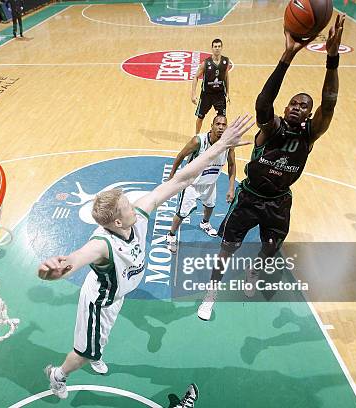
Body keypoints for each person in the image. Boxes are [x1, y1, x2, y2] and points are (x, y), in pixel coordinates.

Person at [38, 115, 254, 399]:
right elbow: (73, 261)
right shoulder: (101, 244)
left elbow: (183, 177)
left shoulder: (137, 214)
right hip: (99, 301)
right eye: (127, 205)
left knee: (100, 339)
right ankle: (58, 375)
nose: (135, 204)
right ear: (116, 222)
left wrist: (221, 146)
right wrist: (50, 271)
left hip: (118, 294)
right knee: (82, 351)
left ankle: (95, 351)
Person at [197, 15, 345, 321]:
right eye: (294, 103)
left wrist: (332, 59)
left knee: (269, 250)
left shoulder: (310, 134)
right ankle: (211, 292)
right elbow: (263, 102)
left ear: (308, 115)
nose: (299, 107)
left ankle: (253, 272)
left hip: (278, 203)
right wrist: (286, 56)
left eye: (305, 106)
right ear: (286, 108)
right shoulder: (271, 127)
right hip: (249, 197)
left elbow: (328, 104)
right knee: (227, 248)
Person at [166, 114, 236, 253]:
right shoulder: (199, 141)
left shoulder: (229, 144)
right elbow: (180, 156)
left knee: (210, 206)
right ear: (211, 126)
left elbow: (232, 165)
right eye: (218, 124)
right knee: (182, 213)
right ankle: (171, 235)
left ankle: (205, 223)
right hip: (191, 183)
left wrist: (231, 187)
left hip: (210, 183)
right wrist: (171, 176)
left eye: (224, 125)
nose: (221, 127)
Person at [191, 38, 230, 135]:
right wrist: (193, 94)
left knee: (222, 119)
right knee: (200, 117)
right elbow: (195, 77)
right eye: (215, 47)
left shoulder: (225, 61)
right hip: (206, 95)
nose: (217, 48)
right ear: (212, 48)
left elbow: (226, 77)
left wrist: (228, 93)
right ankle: (197, 135)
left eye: (219, 46)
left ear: (222, 48)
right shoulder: (206, 63)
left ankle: (221, 138)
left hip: (220, 95)